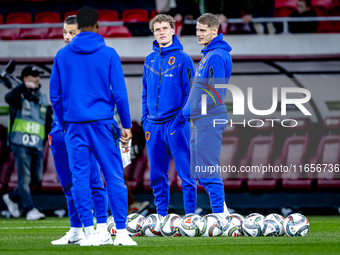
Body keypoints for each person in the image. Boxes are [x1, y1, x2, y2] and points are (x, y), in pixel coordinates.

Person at [50, 7, 136, 246]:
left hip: (74, 126)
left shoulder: (62, 55)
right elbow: (119, 94)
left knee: (79, 178)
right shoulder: (109, 54)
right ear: (97, 25)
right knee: (114, 176)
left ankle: (88, 233)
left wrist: (64, 123)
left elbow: (55, 96)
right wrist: (126, 124)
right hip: (102, 124)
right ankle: (121, 233)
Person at [49, 15, 111, 245]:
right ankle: (76, 229)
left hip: (83, 128)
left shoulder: (95, 59)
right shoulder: (61, 58)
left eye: (72, 32)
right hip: (60, 128)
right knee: (68, 182)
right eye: (65, 32)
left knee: (93, 180)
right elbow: (54, 96)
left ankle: (100, 229)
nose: (67, 37)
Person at [142, 14, 197, 217]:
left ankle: (190, 216)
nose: (161, 33)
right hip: (153, 127)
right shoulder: (149, 60)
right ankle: (161, 216)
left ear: (173, 30)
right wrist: (145, 121)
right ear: (154, 34)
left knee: (185, 174)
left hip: (175, 124)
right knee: (157, 175)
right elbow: (145, 92)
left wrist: (182, 119)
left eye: (165, 28)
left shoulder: (184, 59)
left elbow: (192, 93)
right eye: (157, 30)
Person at [183, 13, 231, 221]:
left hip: (209, 118)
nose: (198, 34)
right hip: (201, 120)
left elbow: (217, 94)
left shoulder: (217, 56)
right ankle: (224, 213)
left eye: (203, 30)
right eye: (197, 30)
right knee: (201, 171)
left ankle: (220, 215)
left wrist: (191, 112)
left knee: (207, 168)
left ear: (215, 31)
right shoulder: (208, 55)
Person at [2, 66, 52, 220]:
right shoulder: (19, 96)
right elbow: (8, 98)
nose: (36, 79)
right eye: (32, 76)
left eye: (37, 76)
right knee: (25, 177)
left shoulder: (42, 98)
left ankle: (11, 197)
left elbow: (47, 122)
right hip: (20, 142)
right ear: (24, 79)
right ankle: (29, 209)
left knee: (36, 178)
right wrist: (24, 87)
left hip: (36, 144)